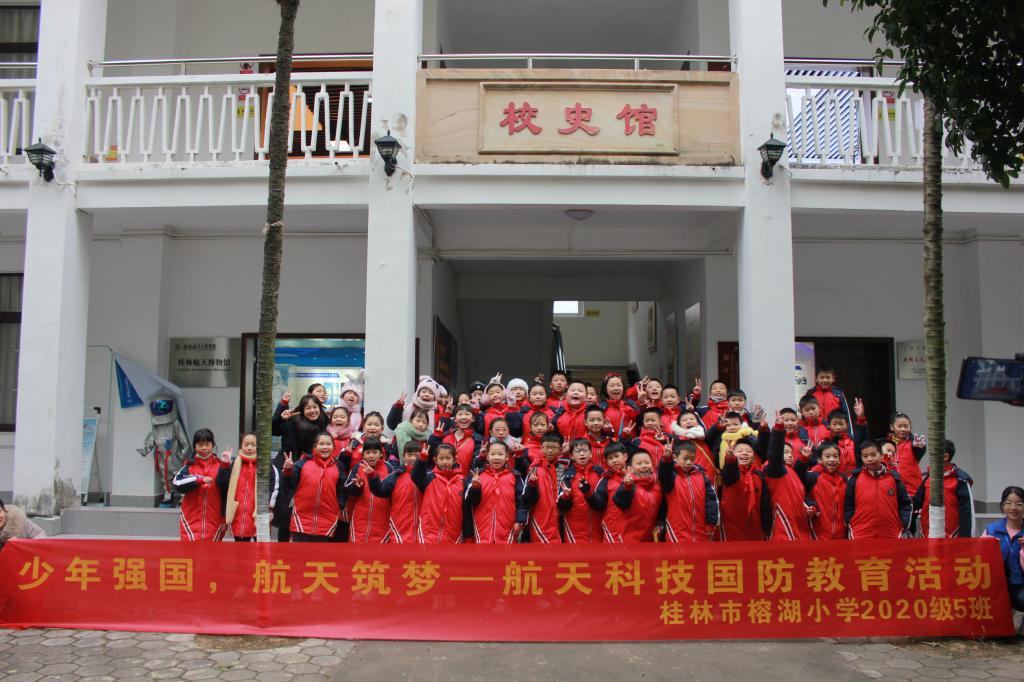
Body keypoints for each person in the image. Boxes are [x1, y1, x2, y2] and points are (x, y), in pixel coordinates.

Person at [281, 432, 347, 542]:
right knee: (301, 552)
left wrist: (339, 506)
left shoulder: (338, 466)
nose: (325, 447)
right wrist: (288, 470)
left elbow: (342, 491)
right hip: (301, 519)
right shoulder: (302, 463)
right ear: (315, 446)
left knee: (319, 553)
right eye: (321, 444)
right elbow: (289, 485)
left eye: (328, 444)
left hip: (327, 520)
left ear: (333, 447)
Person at [844, 439, 912, 539]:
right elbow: (848, 504)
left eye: (873, 455)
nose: (869, 459)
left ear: (881, 455)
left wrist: (904, 522)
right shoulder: (854, 478)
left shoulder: (894, 478)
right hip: (860, 534)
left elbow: (905, 503)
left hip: (892, 534)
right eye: (865, 456)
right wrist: (850, 521)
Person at [464, 440, 529, 544]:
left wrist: (519, 521)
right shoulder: (478, 475)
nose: (496, 457)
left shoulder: (515, 476)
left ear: (507, 457)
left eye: (500, 454)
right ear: (487, 456)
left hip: (508, 527)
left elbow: (522, 501)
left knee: (507, 553)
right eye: (493, 454)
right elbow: (470, 502)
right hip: (482, 526)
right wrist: (475, 488)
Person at [172, 428, 231, 541]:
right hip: (190, 520)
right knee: (190, 551)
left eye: (207, 444)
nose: (204, 448)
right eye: (200, 444)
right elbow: (177, 483)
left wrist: (224, 517)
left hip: (215, 521)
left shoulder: (221, 466)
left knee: (212, 552)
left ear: (213, 445)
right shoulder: (189, 466)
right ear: (195, 447)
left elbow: (226, 492)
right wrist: (199, 479)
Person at [763, 416, 815, 541]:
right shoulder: (774, 468)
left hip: (799, 528)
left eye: (791, 453)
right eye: (785, 452)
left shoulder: (791, 473)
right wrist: (779, 429)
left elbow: (800, 497)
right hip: (783, 529)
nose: (790, 455)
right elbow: (775, 455)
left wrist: (810, 507)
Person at [658, 440, 718, 543]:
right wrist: (666, 458)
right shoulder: (671, 476)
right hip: (677, 532)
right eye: (685, 459)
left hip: (702, 531)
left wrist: (710, 522)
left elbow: (711, 500)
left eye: (692, 459)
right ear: (675, 458)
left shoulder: (702, 475)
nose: (689, 462)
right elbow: (663, 475)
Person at [914, 439, 974, 538]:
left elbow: (967, 514)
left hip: (952, 539)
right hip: (927, 536)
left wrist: (966, 542)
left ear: (945, 456)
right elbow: (916, 502)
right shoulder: (928, 478)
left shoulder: (961, 480)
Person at [600, 450, 662, 543]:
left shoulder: (657, 485)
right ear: (631, 469)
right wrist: (627, 486)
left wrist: (659, 522)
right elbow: (619, 501)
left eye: (647, 462)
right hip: (628, 542)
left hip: (649, 541)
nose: (644, 466)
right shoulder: (629, 485)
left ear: (652, 466)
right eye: (639, 463)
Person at [411, 443, 465, 544]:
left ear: (455, 459)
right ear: (435, 460)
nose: (445, 462)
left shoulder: (462, 481)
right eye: (441, 458)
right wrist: (422, 458)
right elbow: (415, 476)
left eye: (448, 458)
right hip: (428, 531)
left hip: (453, 533)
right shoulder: (429, 478)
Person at [982, 486, 1024, 612]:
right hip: (996, 584)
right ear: (1002, 506)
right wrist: (986, 546)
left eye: (1019, 504)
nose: (1013, 508)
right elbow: (979, 558)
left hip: (1020, 584)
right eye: (1008, 503)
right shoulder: (991, 530)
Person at [344, 437, 394, 543]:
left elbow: (393, 494)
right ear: (363, 455)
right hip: (359, 520)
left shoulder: (389, 468)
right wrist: (356, 486)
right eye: (368, 452)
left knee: (379, 553)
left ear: (381, 454)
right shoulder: (358, 467)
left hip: (382, 521)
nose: (371, 456)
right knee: (357, 552)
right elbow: (347, 488)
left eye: (375, 452)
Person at [372, 441, 423, 544]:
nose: (413, 458)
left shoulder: (427, 476)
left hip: (422, 528)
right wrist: (372, 477)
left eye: (416, 455)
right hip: (399, 526)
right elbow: (380, 490)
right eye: (409, 455)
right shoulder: (395, 476)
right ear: (403, 456)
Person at [719, 442, 771, 541]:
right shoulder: (732, 474)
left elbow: (765, 505)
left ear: (754, 457)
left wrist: (767, 527)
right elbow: (730, 470)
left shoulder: (759, 476)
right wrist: (730, 459)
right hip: (732, 527)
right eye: (739, 451)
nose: (744, 453)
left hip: (755, 527)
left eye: (748, 451)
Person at [520, 432, 565, 543]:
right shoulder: (535, 469)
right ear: (541, 448)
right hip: (541, 518)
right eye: (546, 447)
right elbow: (526, 498)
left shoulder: (564, 467)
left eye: (553, 448)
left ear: (560, 450)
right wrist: (532, 484)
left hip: (559, 517)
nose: (550, 450)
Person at [558, 439, 605, 543]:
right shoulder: (567, 475)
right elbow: (561, 507)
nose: (582, 453)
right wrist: (566, 496)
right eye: (578, 451)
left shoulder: (600, 473)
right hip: (573, 530)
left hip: (599, 528)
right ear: (571, 456)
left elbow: (603, 502)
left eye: (585, 450)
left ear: (591, 454)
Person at [803, 442, 848, 540]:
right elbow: (799, 487)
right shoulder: (812, 476)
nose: (832, 459)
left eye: (835, 456)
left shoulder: (844, 479)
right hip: (817, 534)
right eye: (827, 456)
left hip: (841, 535)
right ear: (819, 459)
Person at [427, 403, 482, 473]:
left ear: (473, 419)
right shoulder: (445, 435)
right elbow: (431, 455)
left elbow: (476, 464)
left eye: (467, 414)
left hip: (464, 479)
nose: (463, 417)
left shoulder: (478, 440)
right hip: (440, 477)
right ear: (455, 419)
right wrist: (435, 437)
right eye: (460, 414)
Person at [224, 433, 259, 542]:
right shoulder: (234, 463)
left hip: (257, 514)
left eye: (253, 445)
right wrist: (225, 465)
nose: (249, 448)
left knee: (260, 550)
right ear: (241, 446)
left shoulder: (265, 465)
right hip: (237, 514)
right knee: (241, 548)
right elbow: (221, 483)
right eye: (246, 444)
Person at [886, 412, 927, 499]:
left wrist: (920, 447)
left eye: (906, 426)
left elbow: (920, 450)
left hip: (912, 491)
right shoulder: (885, 444)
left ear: (910, 428)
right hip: (891, 490)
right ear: (892, 427)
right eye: (899, 426)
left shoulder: (913, 444)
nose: (903, 429)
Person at [802, 366, 853, 436]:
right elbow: (804, 414)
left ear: (833, 378)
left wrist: (850, 435)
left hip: (834, 432)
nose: (825, 380)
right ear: (816, 379)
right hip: (814, 432)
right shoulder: (810, 393)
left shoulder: (838, 394)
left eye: (828, 377)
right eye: (822, 377)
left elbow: (846, 415)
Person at [598, 372, 639, 440]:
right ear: (605, 389)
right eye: (612, 385)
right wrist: (605, 430)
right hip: (611, 445)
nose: (616, 388)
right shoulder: (600, 409)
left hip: (631, 444)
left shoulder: (632, 406)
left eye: (619, 385)